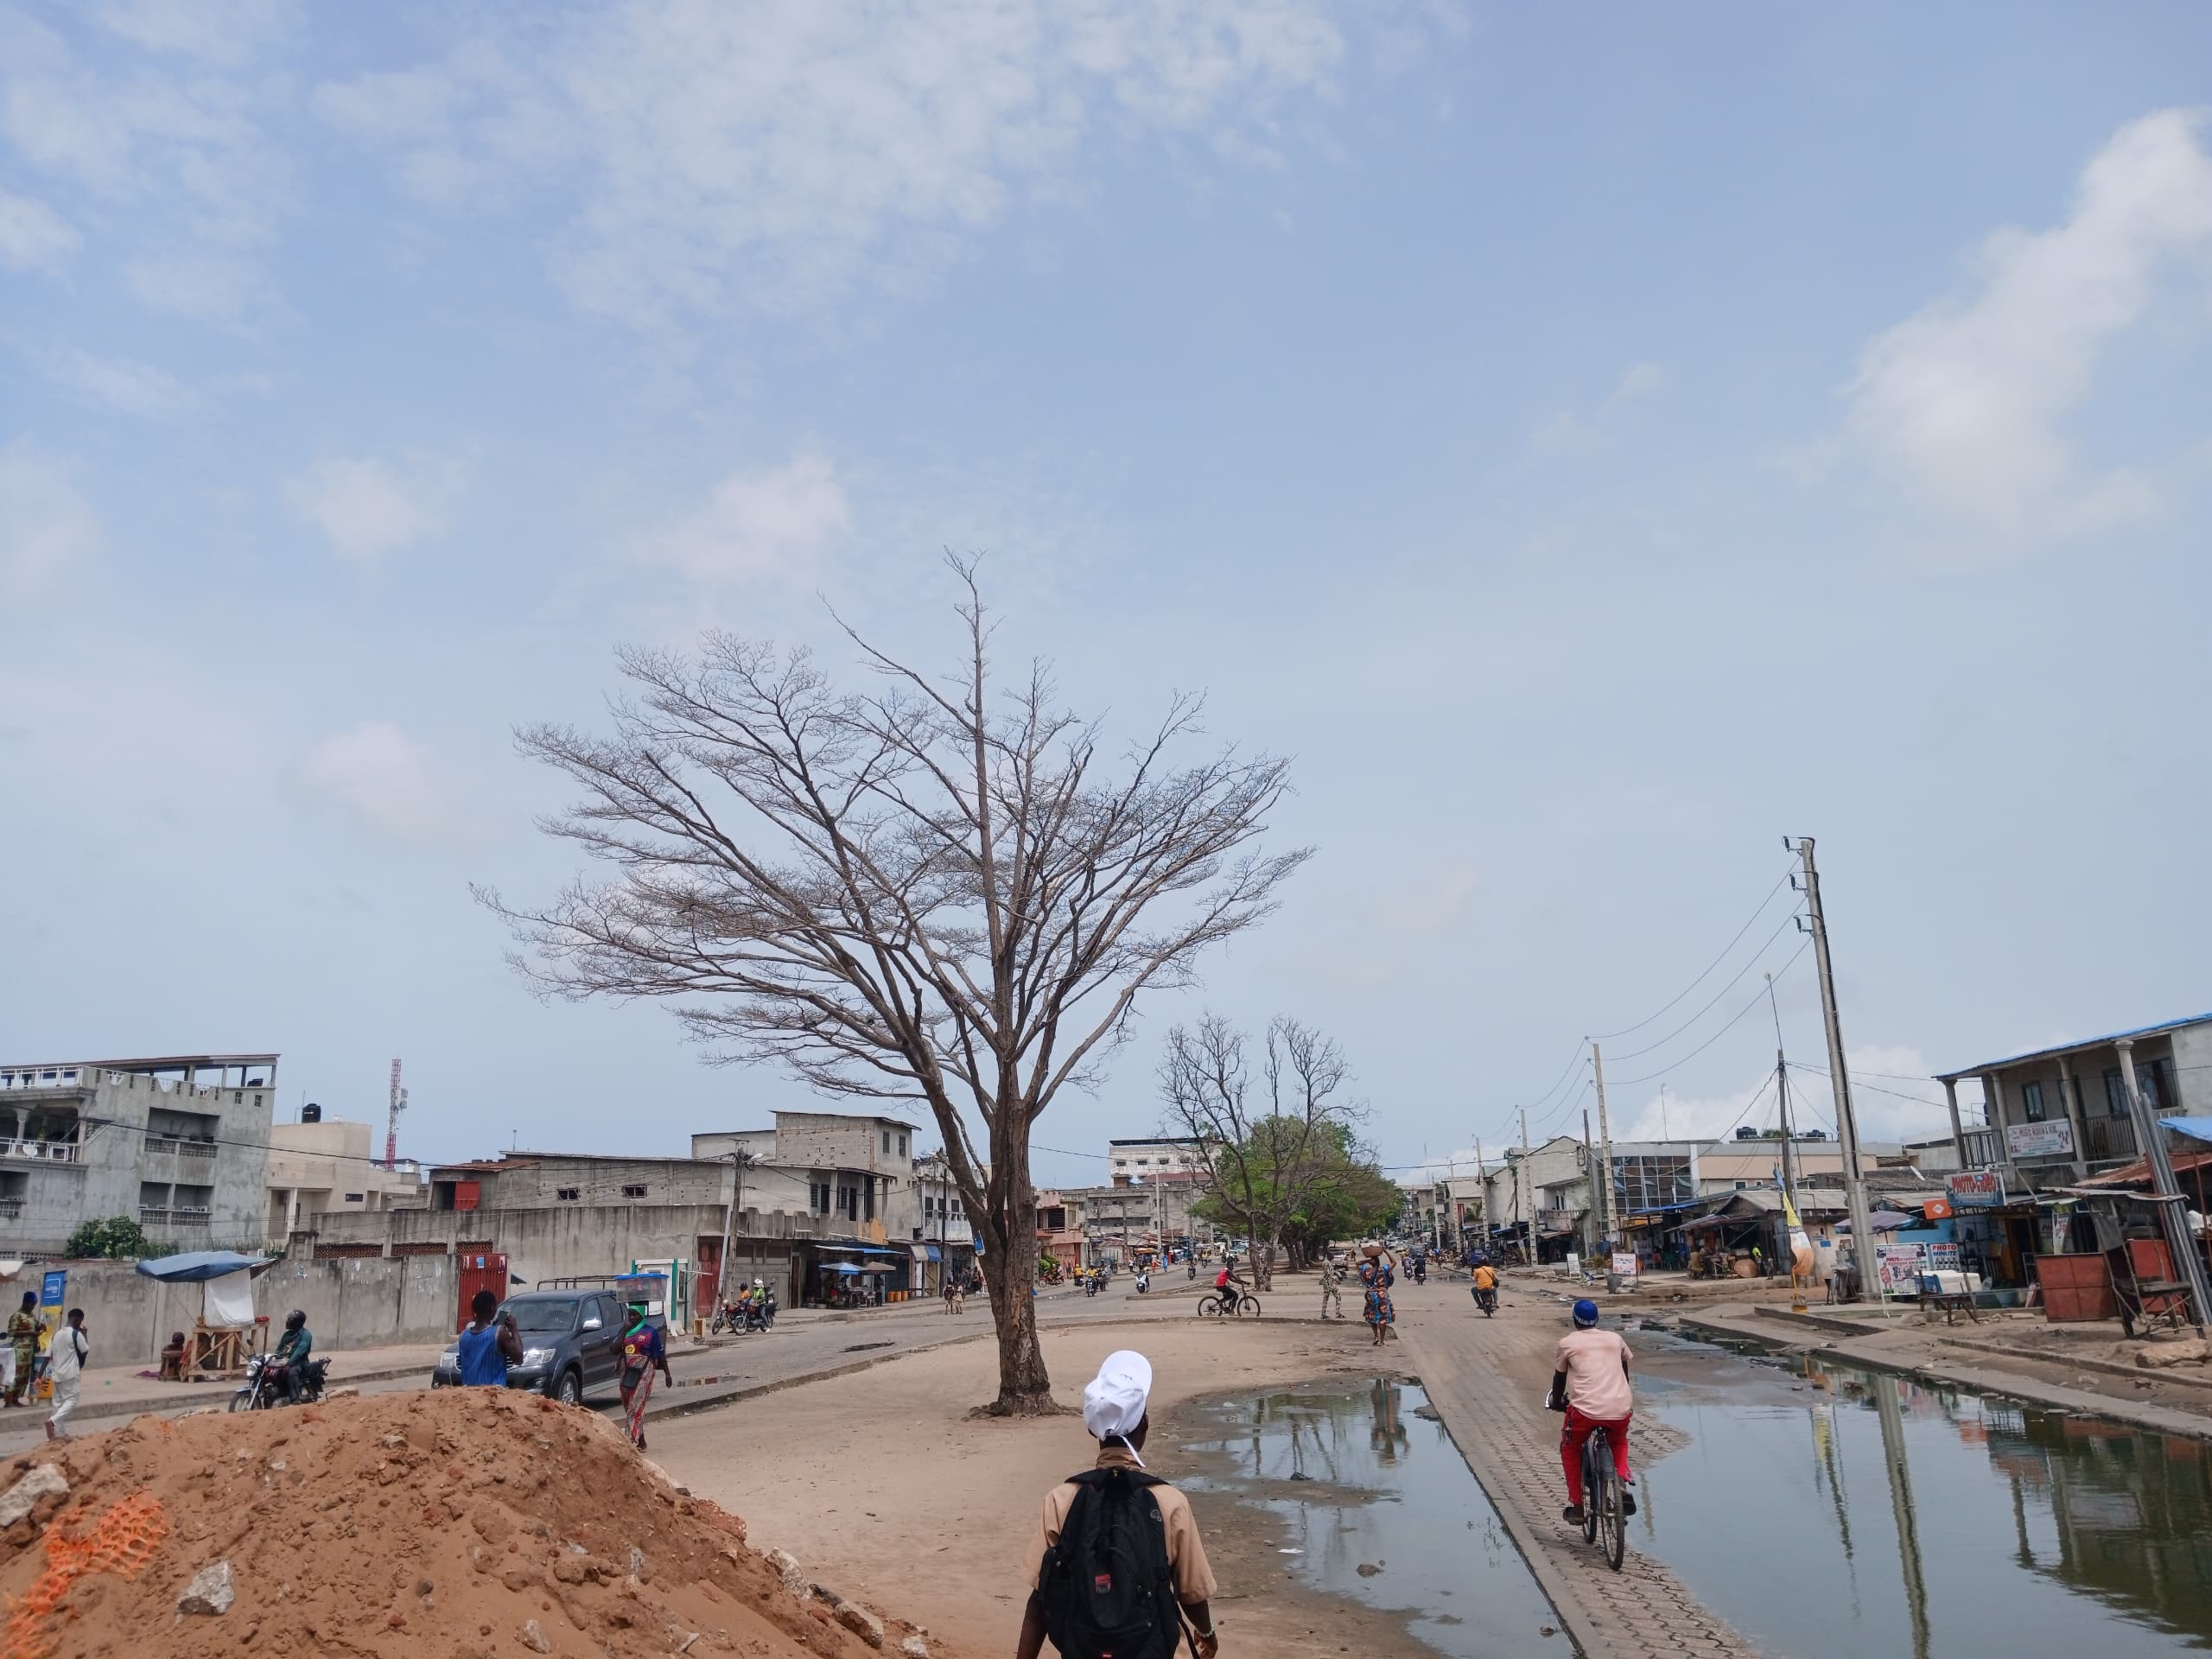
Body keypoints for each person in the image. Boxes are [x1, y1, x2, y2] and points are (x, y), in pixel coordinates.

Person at [1015, 1351, 1219, 1659]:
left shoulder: (1060, 1500)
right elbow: (1192, 1594)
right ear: (1145, 1425)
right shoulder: (1170, 1503)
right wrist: (1206, 1633)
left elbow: (1039, 1599)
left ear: (1091, 1430)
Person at [1548, 1299, 1636, 1525]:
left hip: (1585, 1411)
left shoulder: (1568, 1343)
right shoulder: (1615, 1339)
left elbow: (1560, 1378)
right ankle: (1621, 1484)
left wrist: (1557, 1402)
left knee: (1570, 1448)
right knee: (1620, 1442)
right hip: (1620, 1407)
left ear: (1575, 1320)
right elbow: (1624, 1372)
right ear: (1597, 1319)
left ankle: (1577, 1507)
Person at [616, 1303, 671, 1450]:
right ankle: (642, 1442)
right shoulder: (626, 1332)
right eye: (630, 1315)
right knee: (629, 1406)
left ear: (641, 1316)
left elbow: (660, 1355)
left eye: (635, 1315)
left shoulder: (650, 1333)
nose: (632, 1318)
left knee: (634, 1407)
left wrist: (667, 1374)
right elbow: (614, 1349)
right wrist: (623, 1331)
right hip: (627, 1372)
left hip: (645, 1373)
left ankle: (628, 1443)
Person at [455, 1290, 524, 1387]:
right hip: (492, 1394)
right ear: (492, 1309)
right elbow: (518, 1358)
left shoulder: (463, 1336)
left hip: (470, 1393)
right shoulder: (499, 1332)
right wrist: (514, 1329)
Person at [45, 1309, 87, 1441]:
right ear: (77, 1320)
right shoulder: (76, 1334)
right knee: (72, 1400)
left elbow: (47, 1356)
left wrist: (38, 1376)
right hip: (70, 1374)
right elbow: (85, 1350)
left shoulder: (56, 1334)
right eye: (80, 1321)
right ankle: (53, 1421)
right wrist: (85, 1335)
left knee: (58, 1404)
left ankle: (59, 1435)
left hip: (57, 1375)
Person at [270, 1309, 314, 1403]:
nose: (287, 1322)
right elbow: (279, 1348)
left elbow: (299, 1352)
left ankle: (295, 1398)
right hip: (285, 1361)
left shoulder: (306, 1335)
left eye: (290, 1320)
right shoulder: (287, 1335)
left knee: (291, 1372)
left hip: (299, 1363)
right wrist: (273, 1357)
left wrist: (289, 1364)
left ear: (297, 1322)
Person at [1358, 1249, 1395, 1348]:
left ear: (1371, 1263)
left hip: (1370, 1295)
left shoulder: (1367, 1271)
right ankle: (1382, 1341)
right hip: (1381, 1295)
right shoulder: (1384, 1270)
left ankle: (1376, 1337)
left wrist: (1367, 1261)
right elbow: (1394, 1262)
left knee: (1372, 1315)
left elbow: (1358, 1263)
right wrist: (1386, 1251)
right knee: (1382, 1318)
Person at [4, 1294, 35, 1408]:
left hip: (30, 1350)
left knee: (24, 1377)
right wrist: (29, 1333)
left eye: (34, 1305)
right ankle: (8, 1401)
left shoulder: (32, 1316)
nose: (32, 1307)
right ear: (25, 1302)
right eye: (31, 1304)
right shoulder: (17, 1315)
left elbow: (34, 1330)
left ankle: (16, 1399)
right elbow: (11, 1333)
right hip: (19, 1350)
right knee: (15, 1375)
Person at [1319, 1255, 1346, 1320]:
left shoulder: (1325, 1262)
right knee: (1338, 1296)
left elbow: (1326, 1273)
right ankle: (1337, 1312)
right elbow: (1329, 1274)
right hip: (1329, 1283)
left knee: (1326, 1297)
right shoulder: (1328, 1263)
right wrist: (1336, 1280)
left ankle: (1323, 1313)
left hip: (1326, 1282)